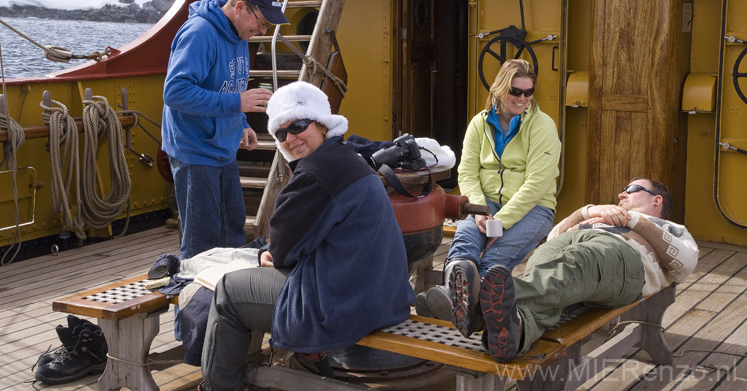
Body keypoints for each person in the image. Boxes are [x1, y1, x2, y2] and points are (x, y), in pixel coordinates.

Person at [200, 82, 415, 390]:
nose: (290, 138)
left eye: (298, 125)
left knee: (227, 293)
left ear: (322, 124)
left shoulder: (314, 174)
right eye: (280, 133)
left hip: (345, 308)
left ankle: (218, 386)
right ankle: (305, 358)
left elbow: (283, 252)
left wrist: (271, 252)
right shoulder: (350, 159)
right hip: (385, 298)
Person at [451, 177, 699, 363]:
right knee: (544, 262)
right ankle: (517, 331)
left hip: (623, 260)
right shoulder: (602, 214)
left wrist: (633, 220)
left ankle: (477, 303)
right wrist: (588, 212)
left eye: (632, 189)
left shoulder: (670, 227)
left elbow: (685, 264)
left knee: (576, 261)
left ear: (656, 200)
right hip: (571, 248)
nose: (622, 193)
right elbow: (552, 237)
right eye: (623, 190)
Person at [417, 59, 561, 324]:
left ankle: (451, 304)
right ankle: (462, 307)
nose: (522, 98)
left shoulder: (543, 126)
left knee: (494, 258)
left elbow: (536, 185)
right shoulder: (478, 124)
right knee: (464, 246)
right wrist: (480, 210)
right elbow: (468, 173)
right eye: (515, 91)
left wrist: (501, 223)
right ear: (499, 89)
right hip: (485, 204)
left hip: (534, 208)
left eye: (528, 92)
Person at [161, 0, 289, 262]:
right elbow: (175, 92)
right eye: (262, 23)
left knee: (232, 232)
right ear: (241, 7)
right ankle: (192, 307)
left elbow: (228, 84)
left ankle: (226, 304)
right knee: (201, 243)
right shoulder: (199, 33)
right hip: (195, 150)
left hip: (224, 147)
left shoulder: (239, 34)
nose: (263, 30)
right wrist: (236, 104)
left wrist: (241, 122)